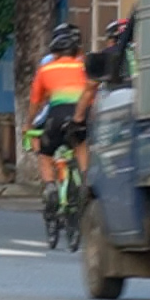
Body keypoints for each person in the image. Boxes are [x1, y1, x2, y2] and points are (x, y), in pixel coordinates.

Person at [29, 23, 90, 210]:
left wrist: (28, 123)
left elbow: (35, 102)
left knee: (45, 154)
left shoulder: (45, 69)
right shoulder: (85, 66)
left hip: (55, 115)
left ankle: (50, 187)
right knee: (80, 145)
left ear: (55, 53)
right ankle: (85, 181)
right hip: (80, 115)